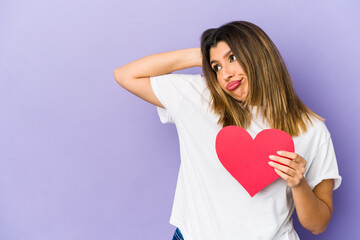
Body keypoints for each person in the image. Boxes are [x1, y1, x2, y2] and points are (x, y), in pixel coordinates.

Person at [113, 21, 342, 240]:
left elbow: (318, 225)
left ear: (259, 55)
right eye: (217, 67)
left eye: (233, 58)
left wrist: (298, 184)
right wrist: (203, 53)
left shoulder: (311, 130)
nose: (225, 75)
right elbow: (126, 75)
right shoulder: (200, 97)